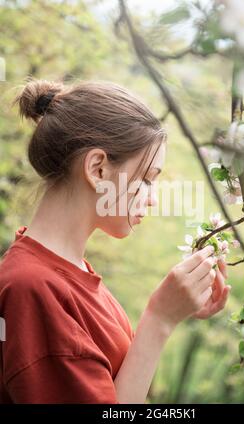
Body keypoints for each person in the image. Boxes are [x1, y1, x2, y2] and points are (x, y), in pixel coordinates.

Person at [0, 79, 231, 404]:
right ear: (97, 169)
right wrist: (159, 319)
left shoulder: (71, 273)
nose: (151, 200)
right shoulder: (32, 289)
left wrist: (176, 309)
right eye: (147, 179)